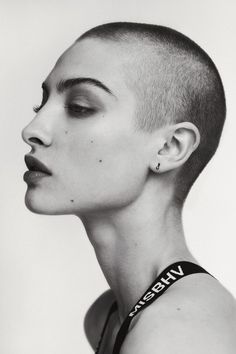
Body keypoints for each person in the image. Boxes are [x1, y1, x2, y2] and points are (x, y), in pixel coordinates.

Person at [22, 22, 236, 353]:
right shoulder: (106, 316)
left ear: (170, 147)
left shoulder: (177, 334)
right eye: (43, 102)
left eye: (80, 107)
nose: (33, 129)